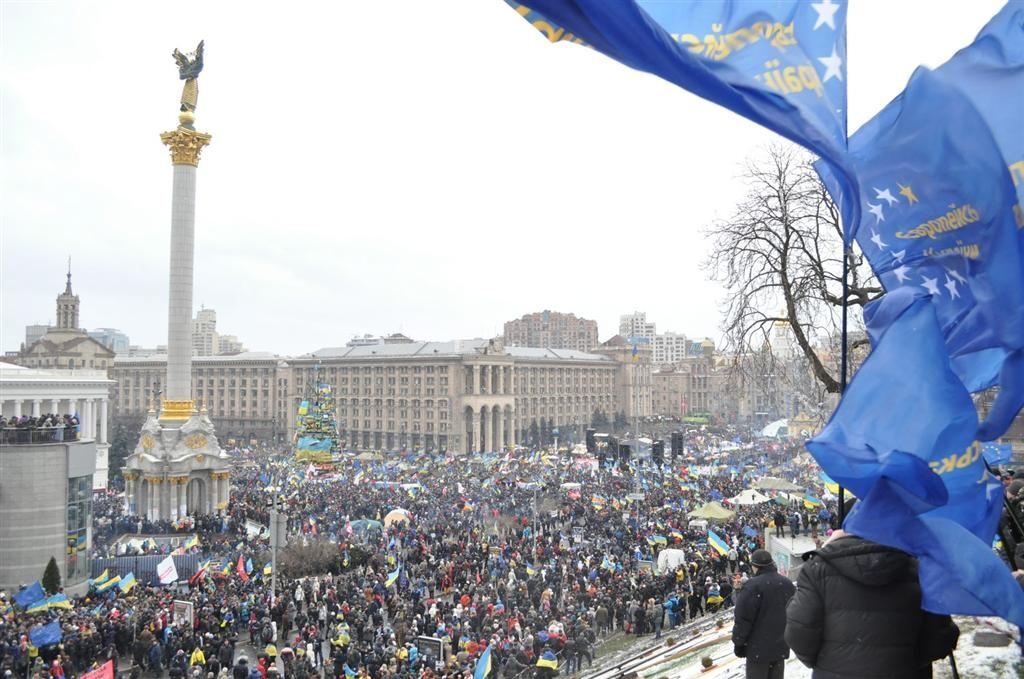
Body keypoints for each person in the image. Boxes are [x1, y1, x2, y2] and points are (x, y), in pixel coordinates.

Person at [785, 522, 960, 678]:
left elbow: (799, 633)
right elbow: (939, 638)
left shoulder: (817, 568)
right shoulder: (920, 570)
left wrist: (828, 663)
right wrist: (905, 662)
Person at [732, 549, 796, 679]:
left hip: (758, 650)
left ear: (755, 566)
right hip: (780, 647)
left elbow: (743, 618)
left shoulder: (752, 586)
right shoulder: (787, 584)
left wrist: (739, 643)